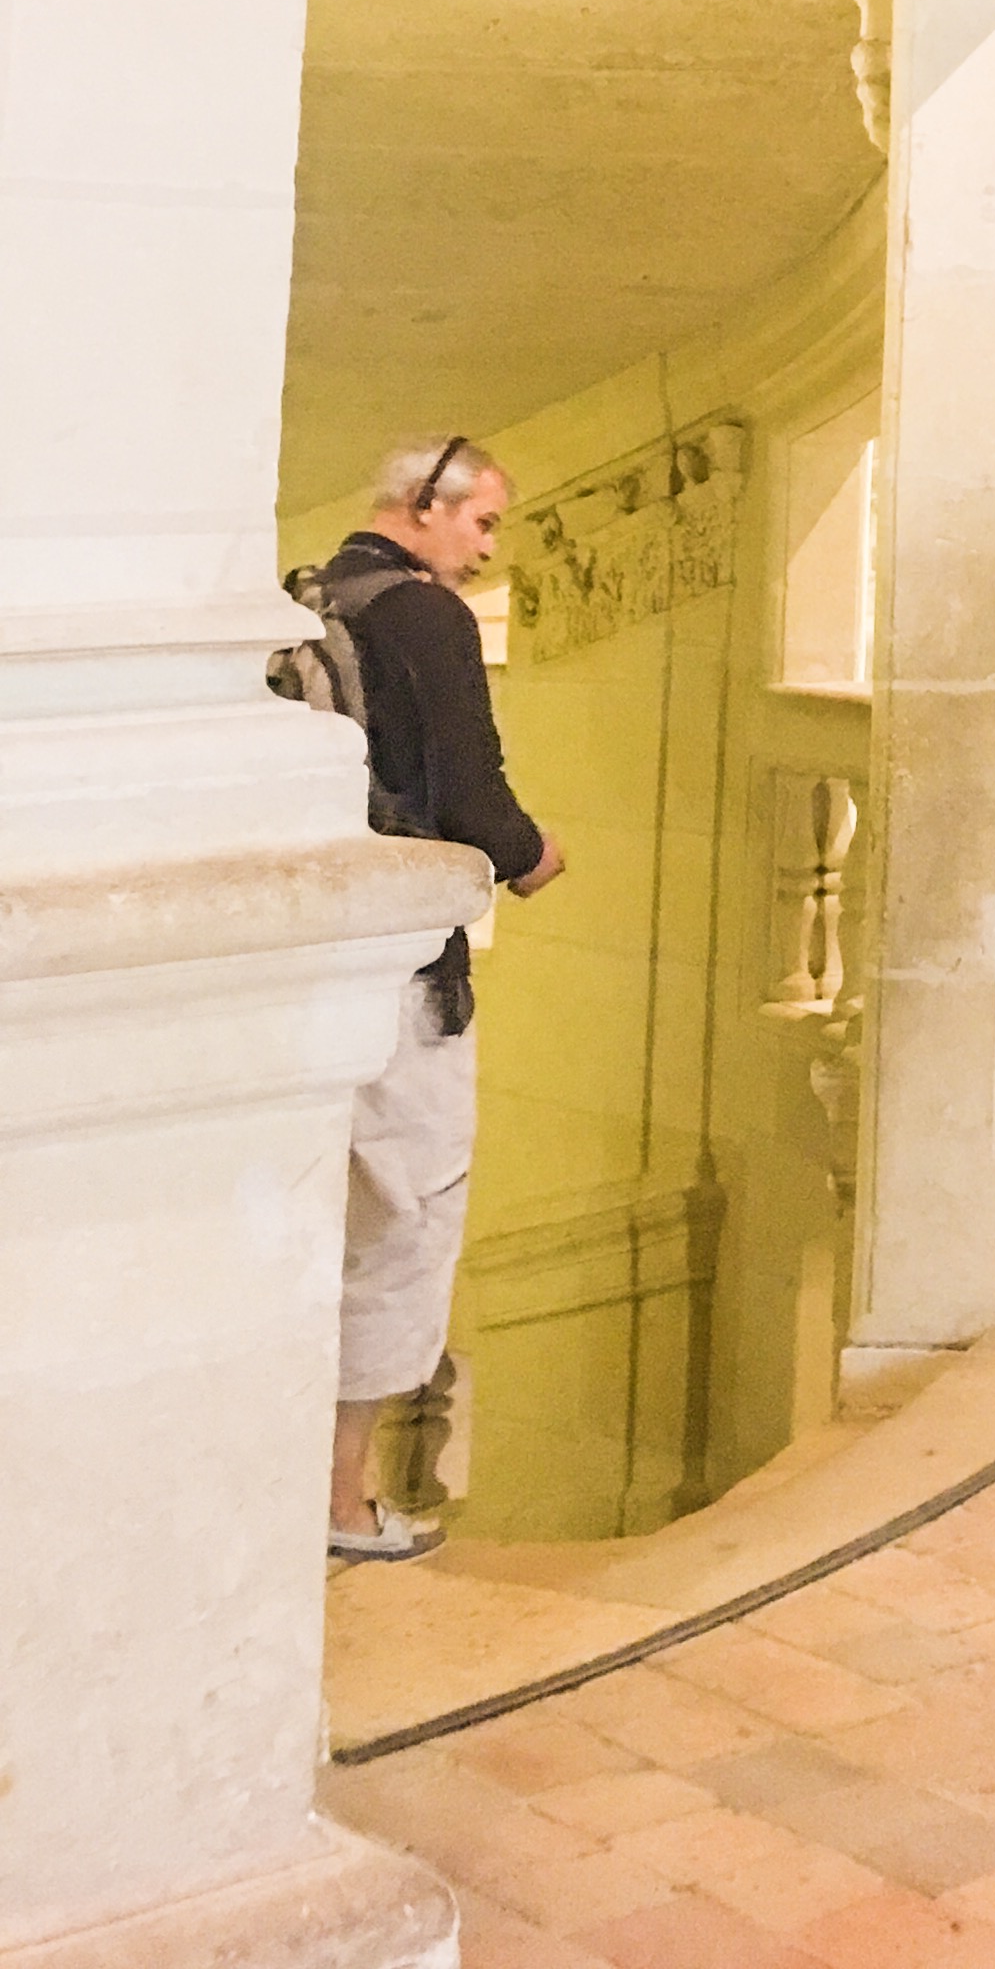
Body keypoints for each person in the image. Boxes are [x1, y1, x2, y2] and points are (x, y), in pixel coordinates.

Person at [317, 434, 563, 1562]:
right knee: (406, 1223)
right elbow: (471, 789)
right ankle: (341, 1503)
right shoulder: (423, 614)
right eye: (482, 522)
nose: (484, 547)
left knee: (328, 1220)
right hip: (406, 974)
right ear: (425, 504)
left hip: (323, 964)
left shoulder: (321, 592)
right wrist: (528, 852)